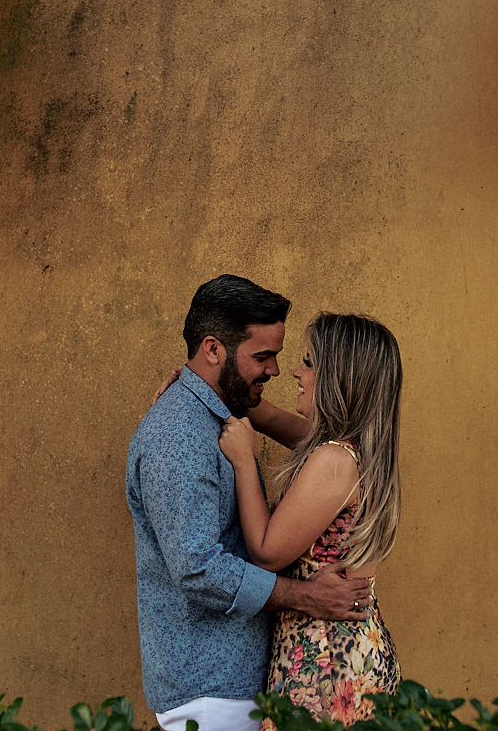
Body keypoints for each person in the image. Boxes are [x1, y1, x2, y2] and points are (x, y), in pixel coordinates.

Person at [127, 276, 373, 731]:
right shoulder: (179, 436)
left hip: (242, 682)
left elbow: (318, 438)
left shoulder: (224, 418)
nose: (278, 370)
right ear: (213, 349)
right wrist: (306, 596)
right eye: (263, 357)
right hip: (211, 691)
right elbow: (198, 568)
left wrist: (204, 389)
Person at [217, 312, 402, 726]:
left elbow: (266, 553)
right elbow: (275, 420)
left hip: (326, 666)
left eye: (309, 362)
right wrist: (205, 386)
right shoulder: (356, 452)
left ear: (338, 378)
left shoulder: (333, 461)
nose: (296, 372)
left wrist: (244, 460)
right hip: (351, 654)